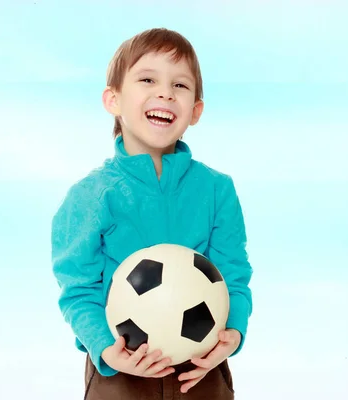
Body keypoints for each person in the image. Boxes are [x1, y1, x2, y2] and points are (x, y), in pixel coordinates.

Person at [51, 27, 253, 400]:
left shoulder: (216, 189)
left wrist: (234, 332)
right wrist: (105, 349)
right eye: (147, 79)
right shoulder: (89, 196)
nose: (165, 92)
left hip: (201, 365)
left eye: (180, 85)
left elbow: (234, 275)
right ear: (113, 99)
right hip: (120, 368)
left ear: (195, 111)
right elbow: (77, 289)